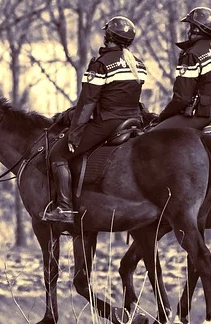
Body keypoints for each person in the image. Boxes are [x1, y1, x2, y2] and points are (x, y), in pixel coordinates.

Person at [43, 15, 149, 224]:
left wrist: (74, 133)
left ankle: (64, 208)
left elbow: (88, 102)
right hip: (133, 121)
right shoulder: (139, 65)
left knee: (58, 155)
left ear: (108, 37)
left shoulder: (100, 64)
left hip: (108, 123)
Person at [153, 6, 211, 130]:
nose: (188, 31)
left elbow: (182, 99)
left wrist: (162, 117)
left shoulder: (192, 54)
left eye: (190, 27)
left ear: (196, 29)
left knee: (153, 134)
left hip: (203, 115)